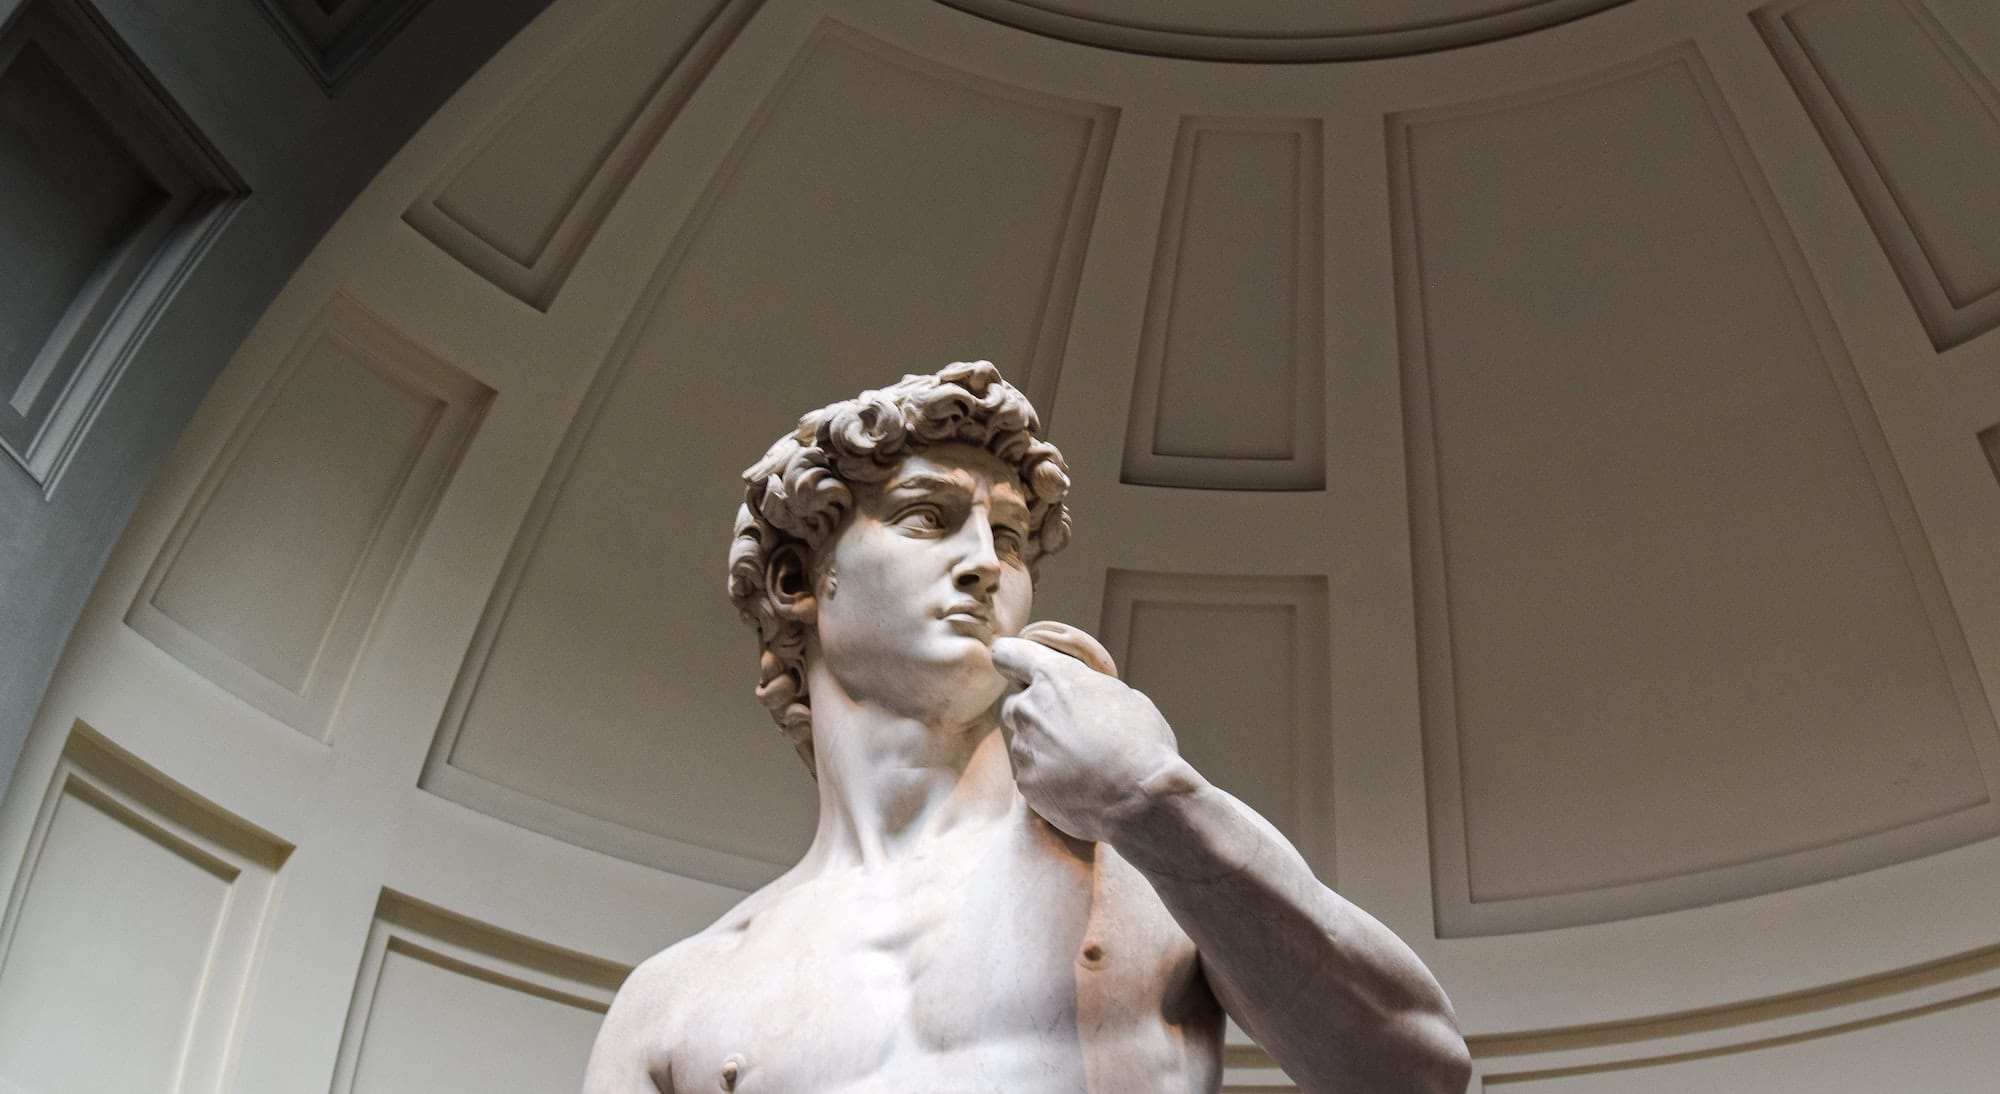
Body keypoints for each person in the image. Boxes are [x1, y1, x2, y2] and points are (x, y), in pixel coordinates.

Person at [581, 362, 1470, 1093]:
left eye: (1008, 537)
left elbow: (1421, 1076)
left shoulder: (1152, 865)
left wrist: (1153, 800)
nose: (983, 564)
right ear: (796, 581)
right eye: (928, 518)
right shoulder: (680, 996)